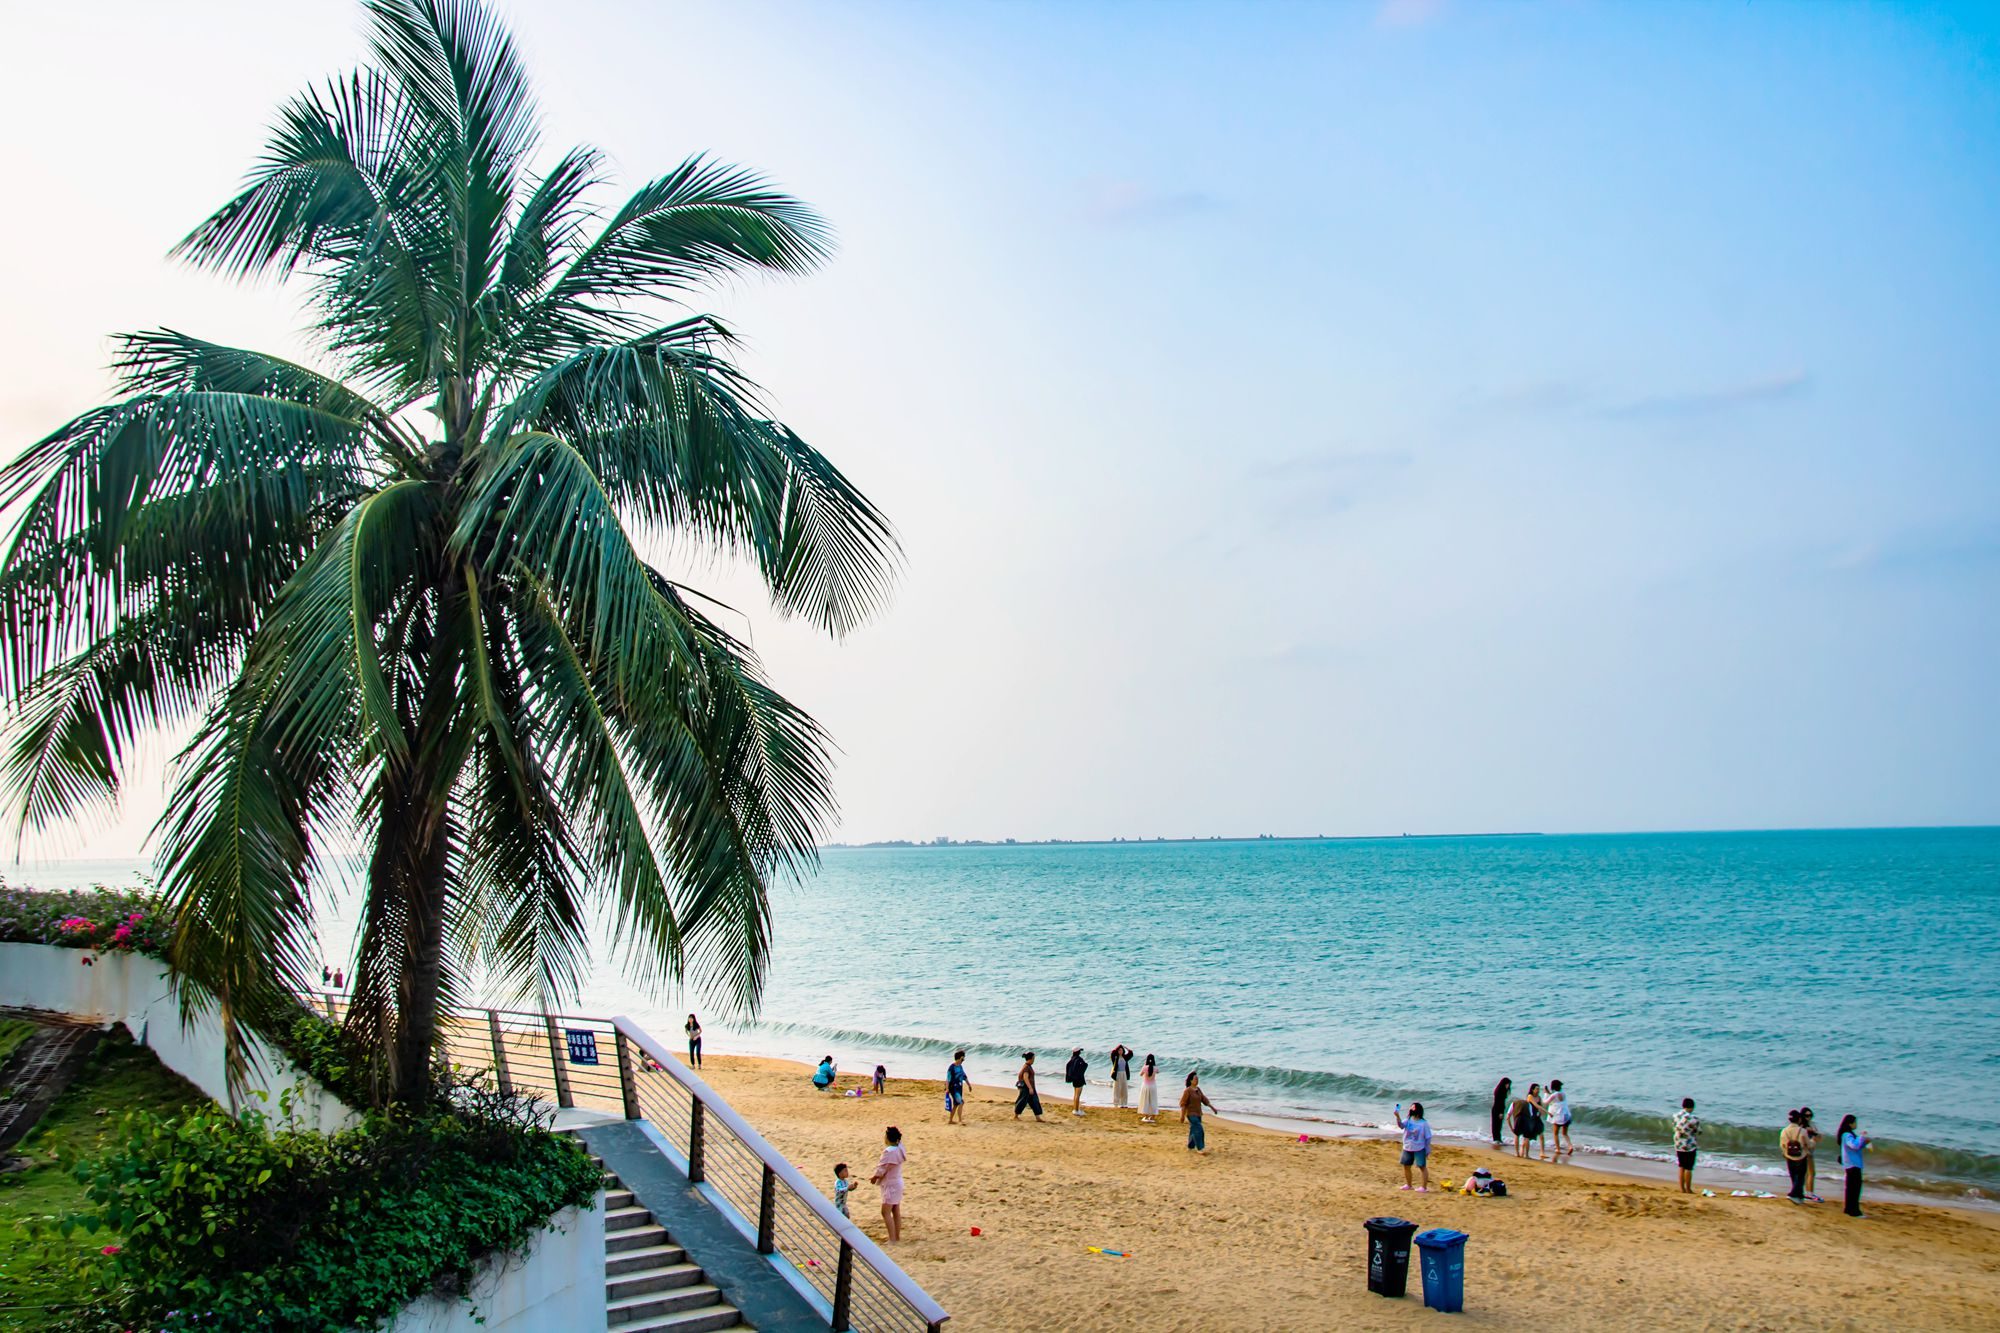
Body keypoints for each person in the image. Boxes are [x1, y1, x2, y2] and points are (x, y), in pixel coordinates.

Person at [871, 1126, 907, 1241]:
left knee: (885, 1211)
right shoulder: (900, 1148)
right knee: (895, 1210)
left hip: (891, 1184)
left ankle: (892, 1239)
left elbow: (882, 1169)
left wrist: (874, 1177)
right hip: (897, 1182)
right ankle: (896, 1237)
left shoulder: (889, 1152)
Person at [1395, 1101, 1434, 1192]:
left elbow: (1428, 1137)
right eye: (1411, 1107)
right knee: (1406, 1166)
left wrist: (1427, 1149)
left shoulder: (1423, 1123)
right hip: (1407, 1147)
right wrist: (1397, 1116)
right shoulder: (1408, 1119)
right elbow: (1401, 1126)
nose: (1411, 1109)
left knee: (1422, 1167)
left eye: (1412, 1108)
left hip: (1419, 1148)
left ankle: (1424, 1187)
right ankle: (1409, 1185)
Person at [1838, 1114, 1870, 1218]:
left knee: (1851, 1188)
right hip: (1852, 1165)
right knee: (1854, 1189)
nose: (1856, 1124)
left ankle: (1849, 1208)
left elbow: (1857, 1145)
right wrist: (1862, 1136)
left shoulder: (1847, 1135)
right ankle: (1854, 1211)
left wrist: (1864, 1142)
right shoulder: (1847, 1135)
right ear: (1850, 1123)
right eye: (1855, 1122)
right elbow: (1854, 1145)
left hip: (1852, 1164)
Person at [1781, 1109, 1812, 1203]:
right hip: (1801, 1156)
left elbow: (1782, 1145)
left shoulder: (1784, 1131)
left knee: (1794, 1176)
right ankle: (1793, 1194)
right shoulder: (1802, 1131)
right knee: (1800, 1177)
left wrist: (1785, 1153)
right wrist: (1813, 1141)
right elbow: (1808, 1144)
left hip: (1789, 1156)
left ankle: (1799, 1195)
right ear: (1799, 1119)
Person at [1180, 1071, 1216, 1153]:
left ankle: (1191, 1145)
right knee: (1199, 1129)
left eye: (1197, 1079)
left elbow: (1204, 1099)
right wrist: (1182, 1116)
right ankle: (1200, 1148)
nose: (1197, 1080)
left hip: (1198, 1113)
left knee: (1194, 1129)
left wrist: (1212, 1108)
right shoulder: (1187, 1091)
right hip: (1191, 1114)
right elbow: (1183, 1104)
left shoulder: (1198, 1089)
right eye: (1195, 1079)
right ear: (1191, 1081)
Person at [1673, 1097, 1701, 1194]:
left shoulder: (1676, 1116)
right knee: (1689, 1168)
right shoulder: (1693, 1119)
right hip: (1689, 1145)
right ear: (1691, 1107)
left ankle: (1682, 1188)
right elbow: (1698, 1131)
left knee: (1681, 1166)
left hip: (1678, 1143)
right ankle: (1688, 1189)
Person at [1799, 1107, 1824, 1203]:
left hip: (1811, 1149)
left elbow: (1819, 1137)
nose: (1808, 1117)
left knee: (1807, 1173)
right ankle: (1809, 1193)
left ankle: (1807, 1192)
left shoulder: (1812, 1125)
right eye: (1806, 1116)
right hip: (1806, 1151)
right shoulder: (1802, 1127)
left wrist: (1815, 1135)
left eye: (1810, 1115)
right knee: (1811, 1172)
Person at [1014, 1052, 1044, 1120]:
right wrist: (1030, 1088)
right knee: (1022, 1101)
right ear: (1030, 1059)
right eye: (1033, 1058)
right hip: (1026, 1088)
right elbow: (1025, 1078)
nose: (1034, 1060)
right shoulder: (1026, 1067)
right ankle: (1016, 1116)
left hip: (1030, 1087)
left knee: (1034, 1101)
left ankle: (1038, 1117)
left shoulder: (1028, 1066)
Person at [1547, 1079, 1573, 1156]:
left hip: (1558, 1117)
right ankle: (1570, 1146)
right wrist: (1549, 1093)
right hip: (1566, 1115)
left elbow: (1546, 1102)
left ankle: (1558, 1148)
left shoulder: (1553, 1095)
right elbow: (1557, 1099)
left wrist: (1546, 1094)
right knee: (1565, 1133)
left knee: (1555, 1133)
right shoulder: (1563, 1093)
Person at [945, 1050, 970, 1125]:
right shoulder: (951, 1068)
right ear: (958, 1058)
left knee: (956, 1104)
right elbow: (948, 1079)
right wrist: (947, 1089)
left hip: (959, 1088)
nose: (963, 1060)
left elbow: (964, 1076)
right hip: (953, 1088)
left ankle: (950, 1120)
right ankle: (960, 1120)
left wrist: (969, 1084)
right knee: (961, 1103)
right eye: (962, 1059)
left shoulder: (960, 1067)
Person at [1065, 1048, 1089, 1116]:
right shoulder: (1079, 1059)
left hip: (1074, 1079)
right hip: (1079, 1079)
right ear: (1078, 1052)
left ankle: (1075, 1109)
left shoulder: (1072, 1059)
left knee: (1075, 1094)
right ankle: (1076, 1110)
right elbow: (1083, 1067)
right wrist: (1085, 1064)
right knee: (1077, 1095)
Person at [1490, 1077, 1512, 1146]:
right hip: (1498, 1109)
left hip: (1497, 1108)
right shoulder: (1500, 1091)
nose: (1508, 1086)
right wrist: (1501, 1112)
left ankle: (1498, 1139)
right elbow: (1500, 1103)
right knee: (1497, 1124)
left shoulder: (1501, 1090)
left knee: (1498, 1124)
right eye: (1507, 1084)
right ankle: (1496, 1139)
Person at [1110, 1045, 1134, 1110]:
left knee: (1124, 1089)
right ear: (1117, 1051)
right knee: (1117, 1089)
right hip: (1117, 1074)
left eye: (1121, 1050)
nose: (1120, 1051)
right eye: (1119, 1050)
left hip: (1124, 1074)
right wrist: (1118, 1046)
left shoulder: (1125, 1057)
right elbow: (1112, 1053)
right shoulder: (1115, 1058)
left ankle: (1124, 1104)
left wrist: (1126, 1047)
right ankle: (1116, 1104)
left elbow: (1131, 1053)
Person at [1138, 1054, 1160, 1123]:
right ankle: (1153, 1116)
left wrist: (1145, 1065)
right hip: (1153, 1086)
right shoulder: (1155, 1068)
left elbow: (1140, 1074)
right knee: (1153, 1101)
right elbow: (1158, 1072)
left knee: (1145, 1100)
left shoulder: (1145, 1067)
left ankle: (1146, 1116)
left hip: (1145, 1086)